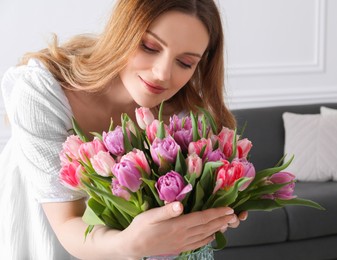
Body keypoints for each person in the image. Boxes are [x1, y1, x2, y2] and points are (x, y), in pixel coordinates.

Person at [0, 0, 247, 259]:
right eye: (150, 47)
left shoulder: (185, 118)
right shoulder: (42, 91)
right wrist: (131, 245)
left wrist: (206, 214)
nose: (162, 73)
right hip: (40, 236)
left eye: (185, 63)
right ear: (123, 32)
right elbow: (67, 223)